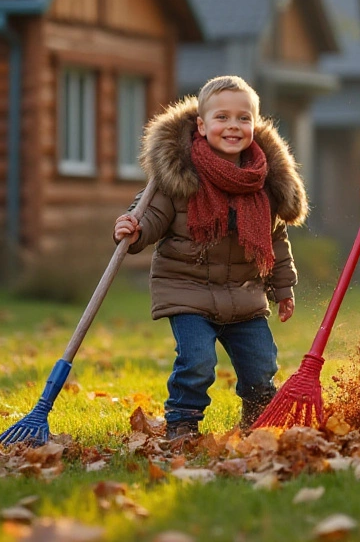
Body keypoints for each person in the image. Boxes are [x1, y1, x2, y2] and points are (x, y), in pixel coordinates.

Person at [114, 76, 306, 440]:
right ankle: (183, 423)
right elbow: (152, 215)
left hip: (245, 294)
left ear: (256, 124)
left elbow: (275, 238)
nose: (233, 126)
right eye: (222, 117)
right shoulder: (180, 175)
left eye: (243, 118)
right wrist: (134, 229)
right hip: (187, 289)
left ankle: (259, 421)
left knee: (261, 365)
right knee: (197, 363)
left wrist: (283, 287)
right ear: (201, 126)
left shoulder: (262, 180)